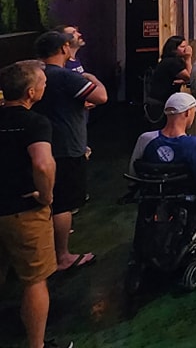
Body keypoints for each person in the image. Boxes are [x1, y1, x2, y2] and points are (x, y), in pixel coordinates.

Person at [33, 30, 107, 272]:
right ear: (64, 48)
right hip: (66, 146)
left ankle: (41, 250)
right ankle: (62, 256)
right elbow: (101, 97)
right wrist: (92, 78)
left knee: (43, 199)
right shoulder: (66, 76)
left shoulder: (33, 74)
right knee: (63, 204)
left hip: (40, 145)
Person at [0, 61, 62, 348]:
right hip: (23, 210)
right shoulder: (35, 122)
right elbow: (43, 164)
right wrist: (46, 196)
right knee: (35, 280)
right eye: (42, 83)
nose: (45, 86)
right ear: (30, 93)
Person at [148, 35, 193, 105]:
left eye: (186, 46)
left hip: (161, 99)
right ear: (174, 49)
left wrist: (181, 81)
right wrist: (188, 58)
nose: (186, 49)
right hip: (161, 101)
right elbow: (189, 77)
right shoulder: (172, 62)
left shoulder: (169, 60)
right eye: (182, 47)